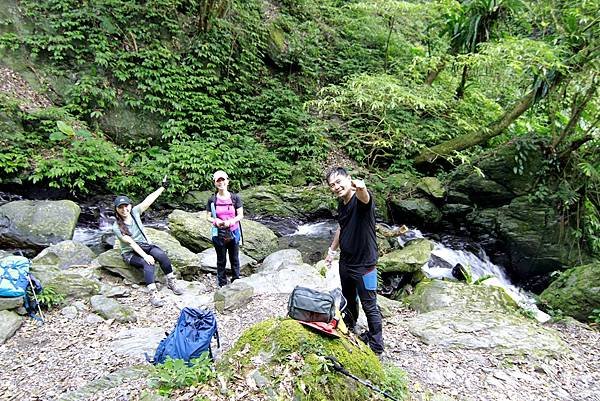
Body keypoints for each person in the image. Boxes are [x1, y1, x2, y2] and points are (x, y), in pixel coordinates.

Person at [325, 167, 384, 355]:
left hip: (365, 264)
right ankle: (350, 326)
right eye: (332, 185)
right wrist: (331, 251)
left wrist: (361, 187)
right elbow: (341, 228)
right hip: (346, 262)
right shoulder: (342, 204)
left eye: (339, 182)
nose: (336, 186)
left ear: (348, 179)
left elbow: (365, 197)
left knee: (370, 305)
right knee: (349, 298)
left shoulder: (361, 200)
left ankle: (376, 345)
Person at [112, 177, 183, 308]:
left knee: (162, 255)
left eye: (125, 206)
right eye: (120, 207)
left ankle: (171, 281)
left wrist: (163, 187)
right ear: (116, 209)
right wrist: (145, 256)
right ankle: (153, 294)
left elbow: (149, 200)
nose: (124, 209)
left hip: (144, 245)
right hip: (130, 252)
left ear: (130, 206)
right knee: (148, 263)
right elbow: (131, 244)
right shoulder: (116, 226)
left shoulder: (135, 212)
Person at [205, 170, 244, 287]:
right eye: (218, 180)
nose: (221, 182)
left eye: (223, 180)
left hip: (233, 231)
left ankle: (236, 280)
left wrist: (232, 221)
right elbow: (208, 217)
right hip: (218, 233)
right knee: (221, 259)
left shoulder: (235, 198)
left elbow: (241, 215)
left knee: (235, 258)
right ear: (215, 183)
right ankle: (222, 283)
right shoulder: (212, 200)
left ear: (227, 181)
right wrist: (216, 221)